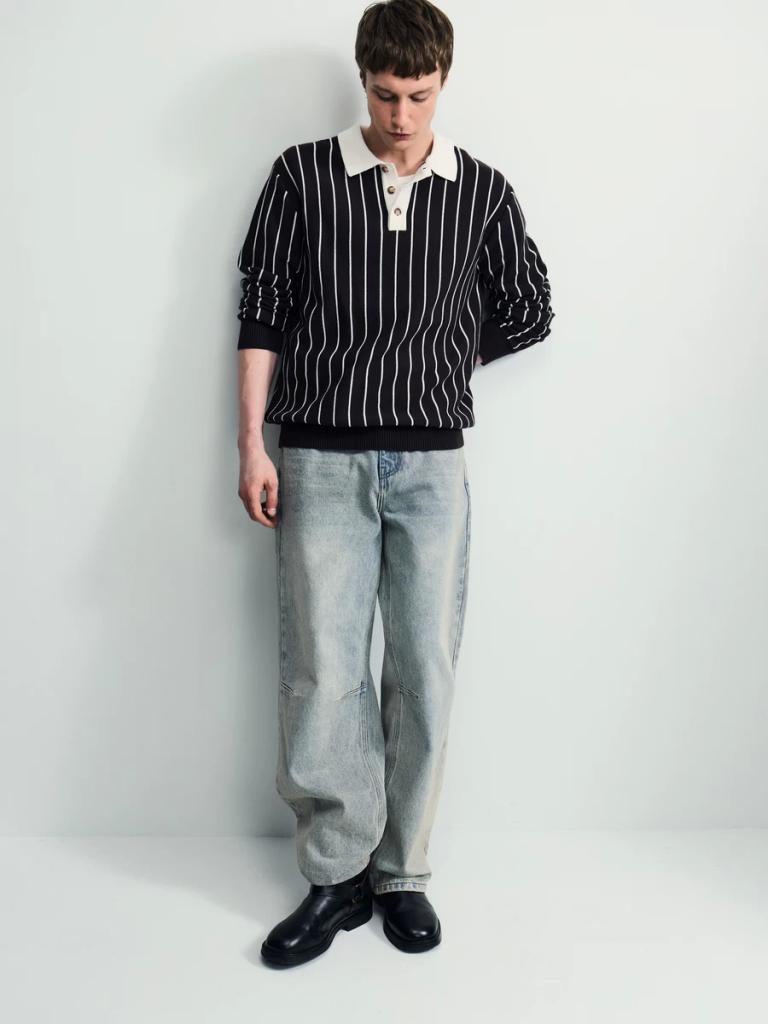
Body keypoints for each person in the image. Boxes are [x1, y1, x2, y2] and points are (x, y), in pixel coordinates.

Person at [235, 0, 555, 968]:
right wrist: (250, 443)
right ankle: (336, 874)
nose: (401, 115)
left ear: (442, 83)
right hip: (319, 456)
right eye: (385, 94)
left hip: (431, 467)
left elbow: (530, 307)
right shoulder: (302, 176)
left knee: (423, 665)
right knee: (324, 668)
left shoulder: (480, 191)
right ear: (363, 81)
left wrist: (441, 359)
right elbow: (262, 311)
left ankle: (401, 871)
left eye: (419, 95)